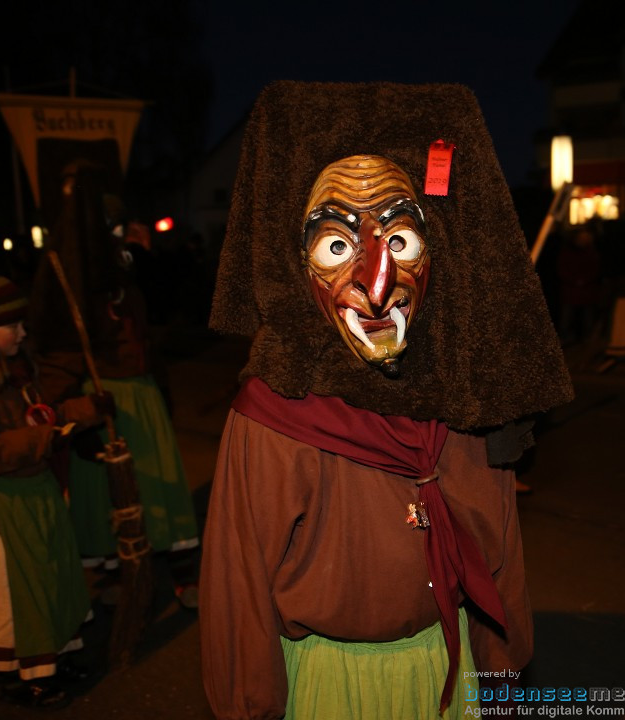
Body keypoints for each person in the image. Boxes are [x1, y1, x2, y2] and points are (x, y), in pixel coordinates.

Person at [199, 81, 575, 720]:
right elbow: (238, 584)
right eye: (337, 247)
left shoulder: (461, 396)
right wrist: (250, 708)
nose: (377, 284)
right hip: (330, 686)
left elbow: (498, 548)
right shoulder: (275, 416)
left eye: (400, 241)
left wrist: (502, 674)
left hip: (442, 669)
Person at [0, 271, 112, 709]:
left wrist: (84, 411)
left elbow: (38, 414)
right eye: (12, 326)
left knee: (51, 582)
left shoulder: (14, 370)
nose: (22, 332)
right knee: (13, 597)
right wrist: (42, 440)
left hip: (35, 495)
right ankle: (17, 674)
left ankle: (54, 657)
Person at [28, 163, 200, 608]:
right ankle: (114, 576)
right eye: (115, 228)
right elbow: (61, 345)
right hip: (104, 398)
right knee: (110, 493)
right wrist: (68, 406)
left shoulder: (128, 270)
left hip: (142, 393)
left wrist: (144, 257)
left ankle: (182, 574)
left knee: (162, 490)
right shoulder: (75, 281)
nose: (122, 236)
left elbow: (166, 309)